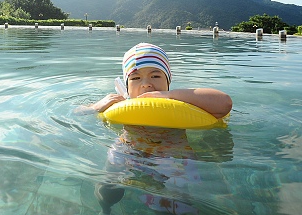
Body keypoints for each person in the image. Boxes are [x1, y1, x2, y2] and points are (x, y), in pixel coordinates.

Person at [89, 42, 233, 214]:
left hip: (173, 154)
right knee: (107, 188)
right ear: (126, 87)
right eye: (135, 78)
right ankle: (105, 209)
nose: (146, 84)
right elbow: (78, 112)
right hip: (127, 149)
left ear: (168, 81)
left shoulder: (177, 103)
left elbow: (224, 103)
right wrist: (95, 106)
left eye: (155, 76)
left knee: (176, 202)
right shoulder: (122, 103)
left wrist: (168, 96)